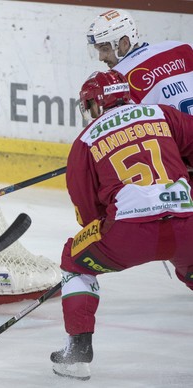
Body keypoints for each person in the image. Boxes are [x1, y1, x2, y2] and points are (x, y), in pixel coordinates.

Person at [51, 69, 193, 380]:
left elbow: (88, 213)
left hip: (129, 233)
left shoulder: (85, 142)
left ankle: (77, 352)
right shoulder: (161, 113)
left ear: (95, 105)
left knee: (74, 260)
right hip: (188, 224)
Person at [86, 9, 193, 114]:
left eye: (105, 49)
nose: (101, 57)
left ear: (125, 43)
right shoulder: (179, 48)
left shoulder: (119, 80)